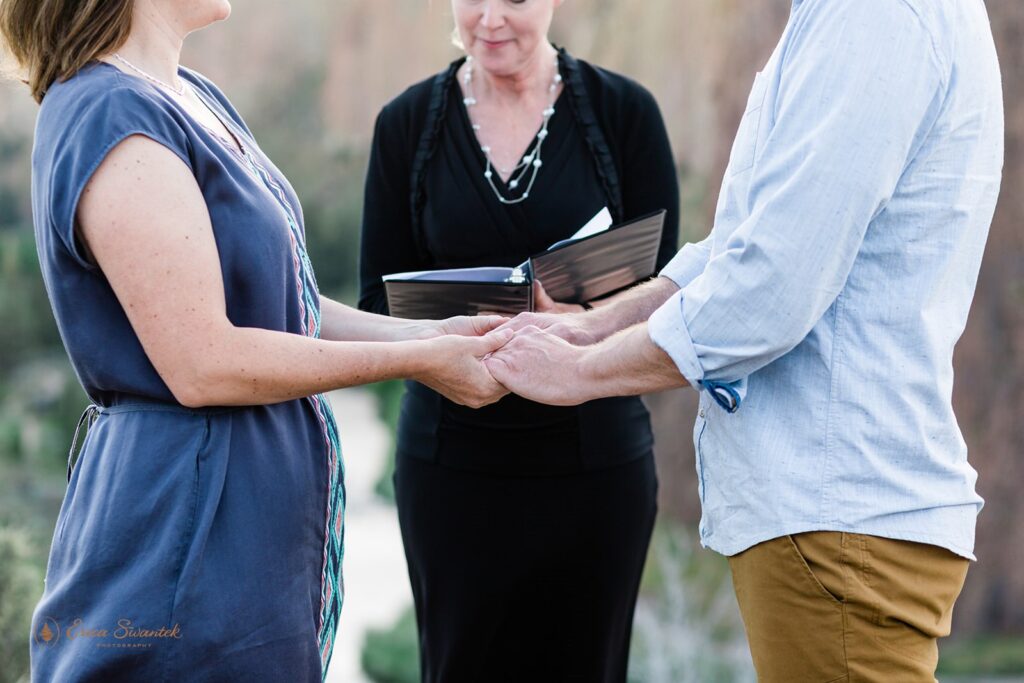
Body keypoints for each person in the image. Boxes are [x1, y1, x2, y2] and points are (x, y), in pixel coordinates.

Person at [486, 0, 1004, 680]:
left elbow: (771, 289)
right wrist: (590, 325)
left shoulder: (876, 14)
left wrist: (578, 373)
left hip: (840, 520)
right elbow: (745, 246)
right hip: (833, 519)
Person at [1, 0, 513, 679]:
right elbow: (202, 360)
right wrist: (419, 359)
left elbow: (282, 302)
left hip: (243, 529)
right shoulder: (109, 113)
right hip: (184, 535)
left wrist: (431, 331)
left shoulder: (189, 95)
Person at [357, 0, 678, 679]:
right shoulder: (406, 125)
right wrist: (498, 307)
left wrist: (581, 311)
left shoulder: (626, 115)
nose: (491, 18)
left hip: (596, 466)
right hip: (452, 469)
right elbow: (376, 301)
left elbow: (672, 289)